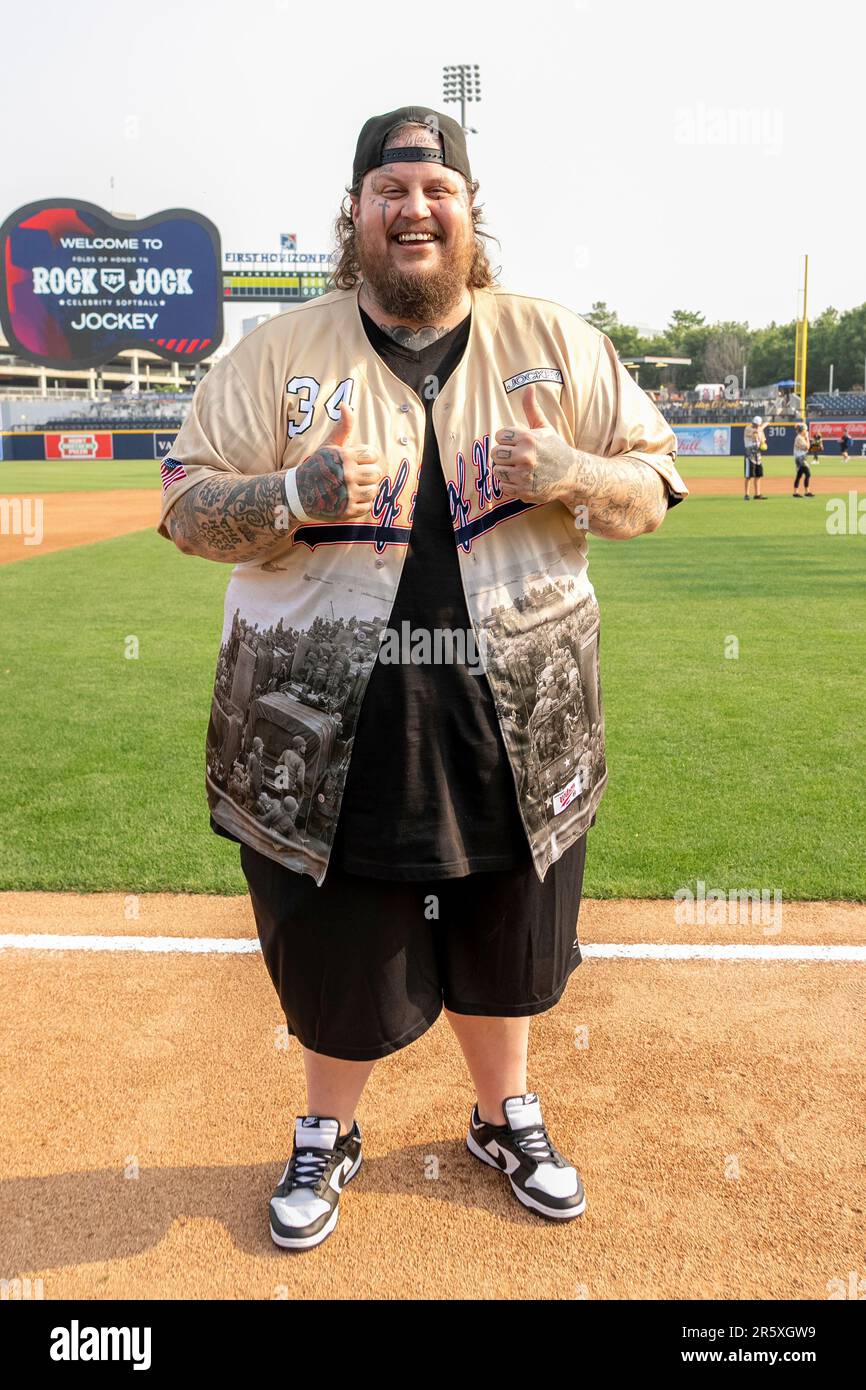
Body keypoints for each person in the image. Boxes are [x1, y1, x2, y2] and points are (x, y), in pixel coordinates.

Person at [156, 105, 689, 1252]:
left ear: (468, 210)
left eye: (434, 189)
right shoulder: (274, 356)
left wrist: (567, 470)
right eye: (388, 190)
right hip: (329, 723)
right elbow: (186, 512)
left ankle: (504, 1115)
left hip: (517, 715)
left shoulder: (554, 340)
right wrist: (292, 496)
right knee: (336, 942)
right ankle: (323, 1131)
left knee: (508, 930)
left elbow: (650, 491)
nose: (412, 208)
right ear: (353, 213)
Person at [743, 415, 768, 500]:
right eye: (755, 424)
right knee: (748, 476)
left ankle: (757, 494)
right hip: (749, 456)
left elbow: (763, 441)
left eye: (758, 424)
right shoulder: (748, 429)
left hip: (758, 456)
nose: (756, 425)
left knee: (758, 475)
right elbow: (755, 434)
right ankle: (746, 494)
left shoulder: (761, 430)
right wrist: (764, 426)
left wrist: (763, 444)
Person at [792, 423, 813, 497]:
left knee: (799, 475)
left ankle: (796, 492)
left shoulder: (800, 437)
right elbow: (807, 447)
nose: (806, 431)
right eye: (805, 430)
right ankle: (806, 492)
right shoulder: (799, 438)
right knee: (808, 474)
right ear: (802, 430)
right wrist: (807, 437)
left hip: (801, 458)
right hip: (800, 459)